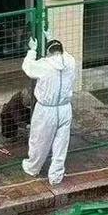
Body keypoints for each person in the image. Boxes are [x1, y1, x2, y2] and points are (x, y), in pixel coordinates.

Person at [21, 36, 77, 186]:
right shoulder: (70, 61)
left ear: (48, 52)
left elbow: (27, 67)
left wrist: (32, 50)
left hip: (46, 110)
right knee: (61, 144)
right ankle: (56, 176)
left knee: (39, 140)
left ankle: (33, 168)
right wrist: (51, 37)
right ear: (61, 51)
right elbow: (61, 54)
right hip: (65, 108)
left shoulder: (44, 65)